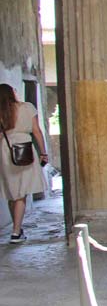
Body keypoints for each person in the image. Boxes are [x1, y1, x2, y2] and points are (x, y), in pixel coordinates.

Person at [0, 84, 48, 243]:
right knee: (21, 193)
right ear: (12, 93)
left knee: (12, 193)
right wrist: (43, 152)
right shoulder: (27, 107)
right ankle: (15, 232)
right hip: (24, 149)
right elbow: (36, 131)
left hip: (5, 150)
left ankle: (17, 228)